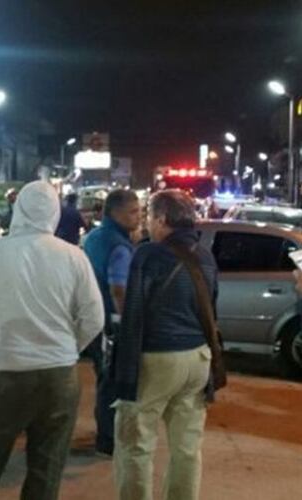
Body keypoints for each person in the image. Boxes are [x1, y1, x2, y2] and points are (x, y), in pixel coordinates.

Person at [0, 181, 104, 500]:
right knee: (45, 474)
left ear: (17, 209)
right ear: (55, 213)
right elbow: (94, 318)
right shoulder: (74, 256)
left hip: (5, 371)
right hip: (58, 378)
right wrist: (67, 349)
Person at [113, 189, 218, 500]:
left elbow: (134, 313)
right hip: (197, 359)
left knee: (136, 445)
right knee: (187, 448)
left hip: (157, 358)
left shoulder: (148, 254)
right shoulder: (205, 254)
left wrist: (123, 375)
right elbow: (212, 309)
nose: (146, 224)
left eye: (148, 217)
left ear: (161, 219)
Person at [82, 188, 141, 457]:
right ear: (115, 213)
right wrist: (127, 322)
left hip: (93, 318)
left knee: (103, 378)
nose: (139, 217)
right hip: (112, 323)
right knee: (113, 383)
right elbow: (119, 289)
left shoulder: (93, 237)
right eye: (134, 211)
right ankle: (108, 440)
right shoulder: (119, 245)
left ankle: (103, 435)